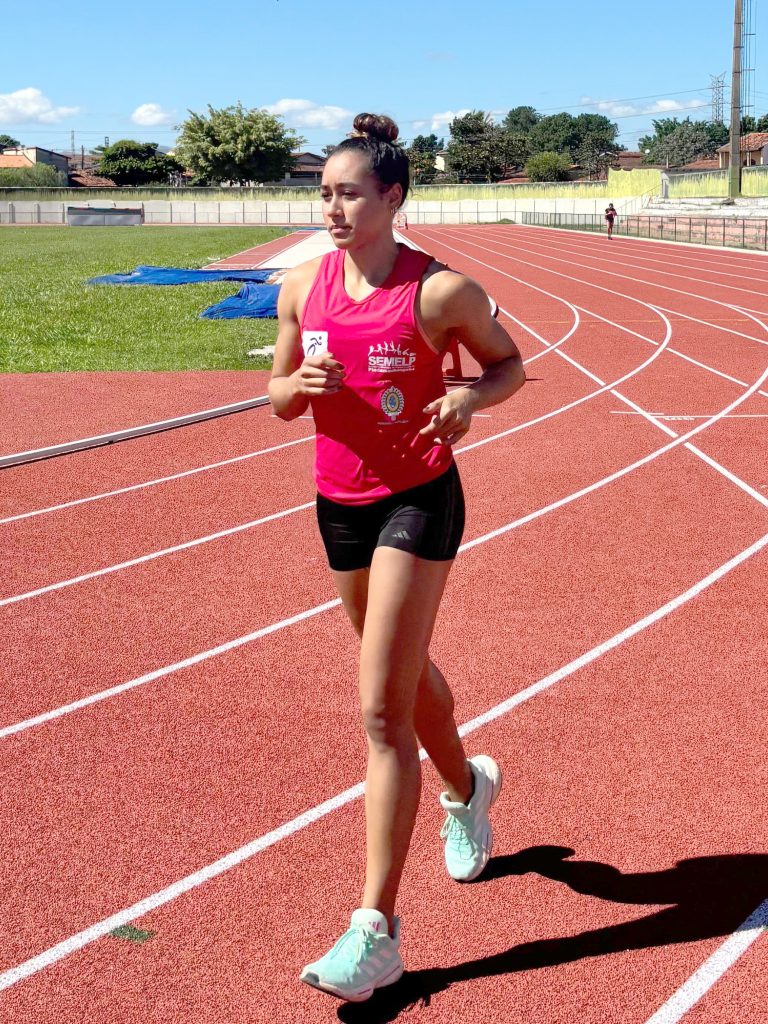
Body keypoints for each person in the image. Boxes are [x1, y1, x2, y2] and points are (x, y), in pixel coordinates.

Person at [268, 112, 525, 1004]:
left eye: (348, 193)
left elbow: (509, 367)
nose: (332, 207)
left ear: (391, 198)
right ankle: (470, 787)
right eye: (325, 193)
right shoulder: (302, 287)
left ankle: (375, 929)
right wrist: (293, 386)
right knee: (406, 681)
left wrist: (466, 404)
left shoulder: (439, 293)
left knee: (381, 711)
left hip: (418, 499)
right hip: (336, 504)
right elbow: (276, 398)